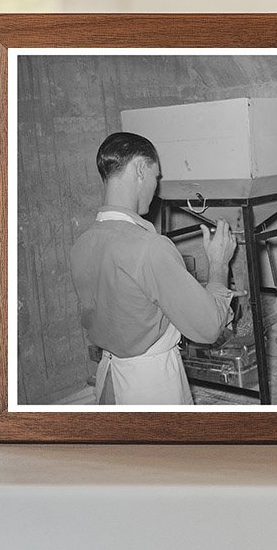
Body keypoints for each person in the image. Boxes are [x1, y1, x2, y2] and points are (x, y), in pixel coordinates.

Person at [71, 131, 236, 405]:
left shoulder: (83, 243)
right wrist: (219, 264)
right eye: (156, 176)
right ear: (139, 169)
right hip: (150, 386)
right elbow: (208, 329)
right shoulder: (150, 247)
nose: (156, 187)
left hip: (110, 380)